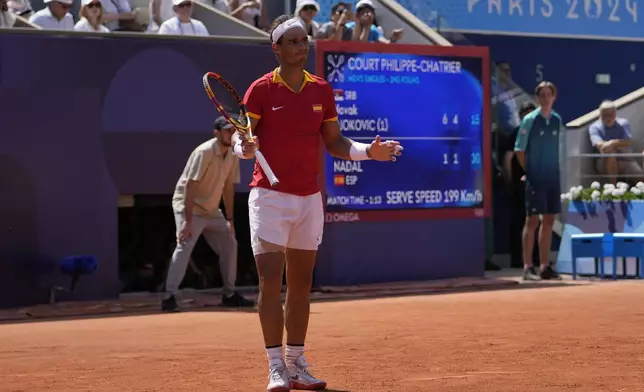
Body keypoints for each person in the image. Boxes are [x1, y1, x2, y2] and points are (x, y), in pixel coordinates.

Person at [234, 15, 403, 392]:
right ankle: (275, 365)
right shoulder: (259, 90)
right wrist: (243, 148)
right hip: (270, 199)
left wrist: (368, 153)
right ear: (276, 48)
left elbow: (335, 143)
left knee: (300, 285)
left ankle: (296, 363)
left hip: (309, 200)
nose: (301, 46)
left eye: (304, 39)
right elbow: (242, 141)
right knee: (269, 284)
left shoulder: (321, 90)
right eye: (292, 41)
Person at [161, 116, 254, 312]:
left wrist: (229, 220)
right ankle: (169, 295)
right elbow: (190, 186)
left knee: (230, 243)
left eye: (234, 130)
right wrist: (186, 222)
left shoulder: (233, 153)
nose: (232, 134)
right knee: (184, 244)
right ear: (217, 133)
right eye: (228, 130)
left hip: (212, 211)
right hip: (190, 208)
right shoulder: (203, 152)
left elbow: (228, 187)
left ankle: (229, 294)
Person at [514, 81, 562, 281]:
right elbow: (519, 150)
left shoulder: (557, 120)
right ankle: (527, 267)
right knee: (532, 220)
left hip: (552, 177)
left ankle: (544, 266)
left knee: (549, 220)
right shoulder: (530, 120)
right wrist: (530, 171)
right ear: (537, 98)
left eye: (548, 94)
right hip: (536, 178)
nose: (545, 98)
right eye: (541, 95)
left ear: (554, 97)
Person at [500, 101, 541, 277]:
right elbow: (508, 158)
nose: (529, 116)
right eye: (526, 113)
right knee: (519, 221)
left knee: (536, 221)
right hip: (519, 185)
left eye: (532, 113)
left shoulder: (538, 134)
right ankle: (518, 259)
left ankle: (536, 259)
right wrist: (510, 180)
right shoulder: (516, 133)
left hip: (536, 182)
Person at [589, 100, 643, 184]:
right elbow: (598, 144)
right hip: (604, 161)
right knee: (611, 153)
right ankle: (613, 187)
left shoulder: (623, 124)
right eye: (605, 115)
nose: (608, 117)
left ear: (615, 113)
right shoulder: (594, 127)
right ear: (600, 115)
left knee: (640, 178)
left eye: (611, 114)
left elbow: (628, 141)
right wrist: (616, 145)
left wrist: (613, 143)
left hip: (625, 160)